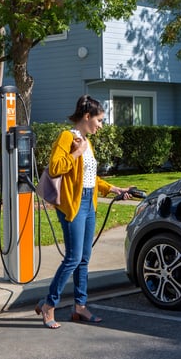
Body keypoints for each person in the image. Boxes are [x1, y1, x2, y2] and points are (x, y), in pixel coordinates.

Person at [35, 95, 132, 329]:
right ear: (86, 117)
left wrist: (113, 188)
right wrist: (76, 153)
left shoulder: (88, 142)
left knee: (84, 260)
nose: (101, 125)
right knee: (73, 258)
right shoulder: (67, 137)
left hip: (90, 203)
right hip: (74, 204)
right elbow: (56, 168)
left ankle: (80, 307)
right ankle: (49, 304)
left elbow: (89, 177)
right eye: (99, 120)